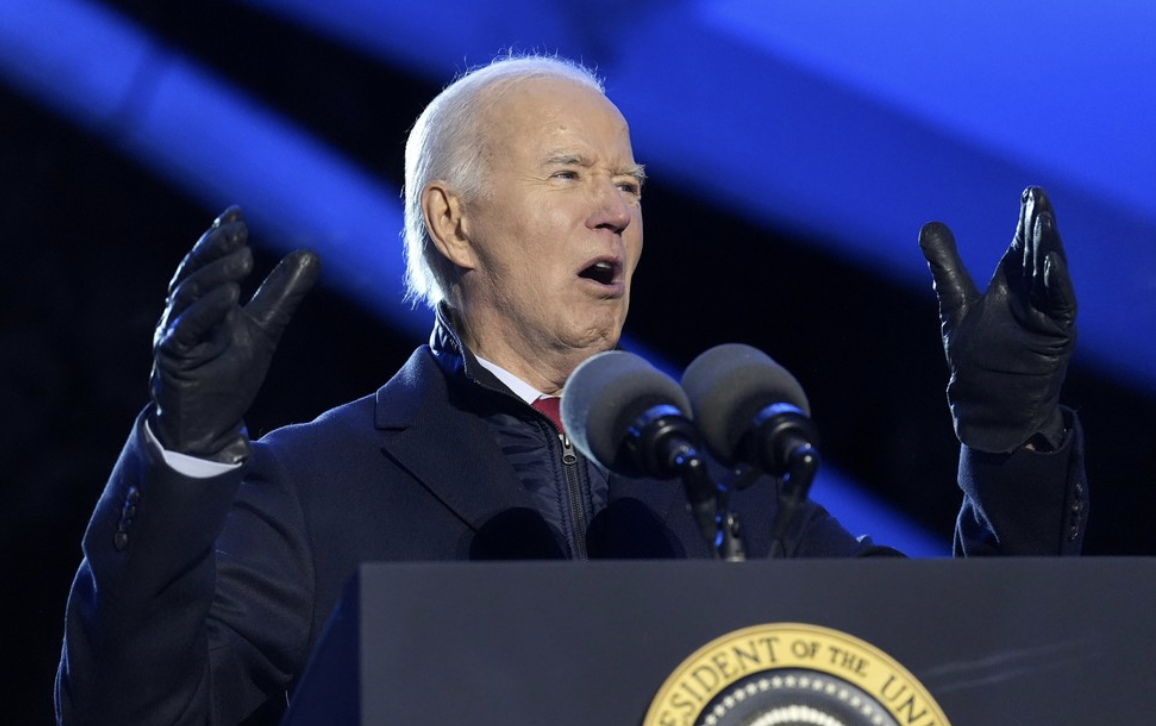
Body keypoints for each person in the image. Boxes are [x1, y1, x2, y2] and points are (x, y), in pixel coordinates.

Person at [55, 55, 1086, 725]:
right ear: (453, 223)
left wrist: (1006, 441)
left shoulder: (734, 485)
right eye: (570, 176)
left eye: (629, 186)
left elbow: (987, 675)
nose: (616, 214)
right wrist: (181, 454)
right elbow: (125, 714)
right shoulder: (311, 487)